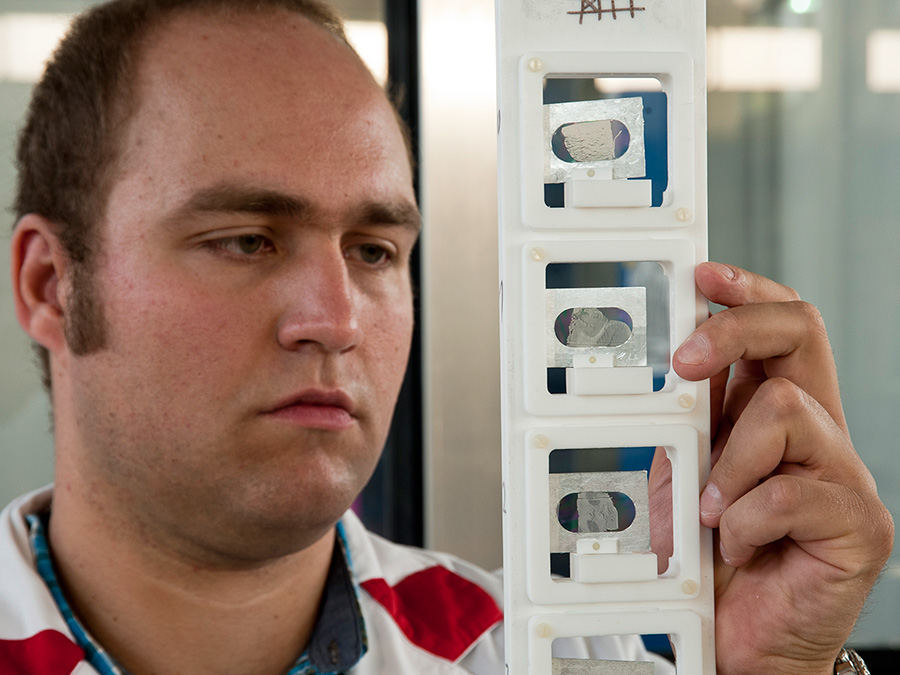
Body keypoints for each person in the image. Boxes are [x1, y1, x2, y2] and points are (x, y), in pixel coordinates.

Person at [0, 0, 892, 673]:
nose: (337, 318)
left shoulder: (538, 653)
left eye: (375, 249)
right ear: (50, 285)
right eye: (245, 240)